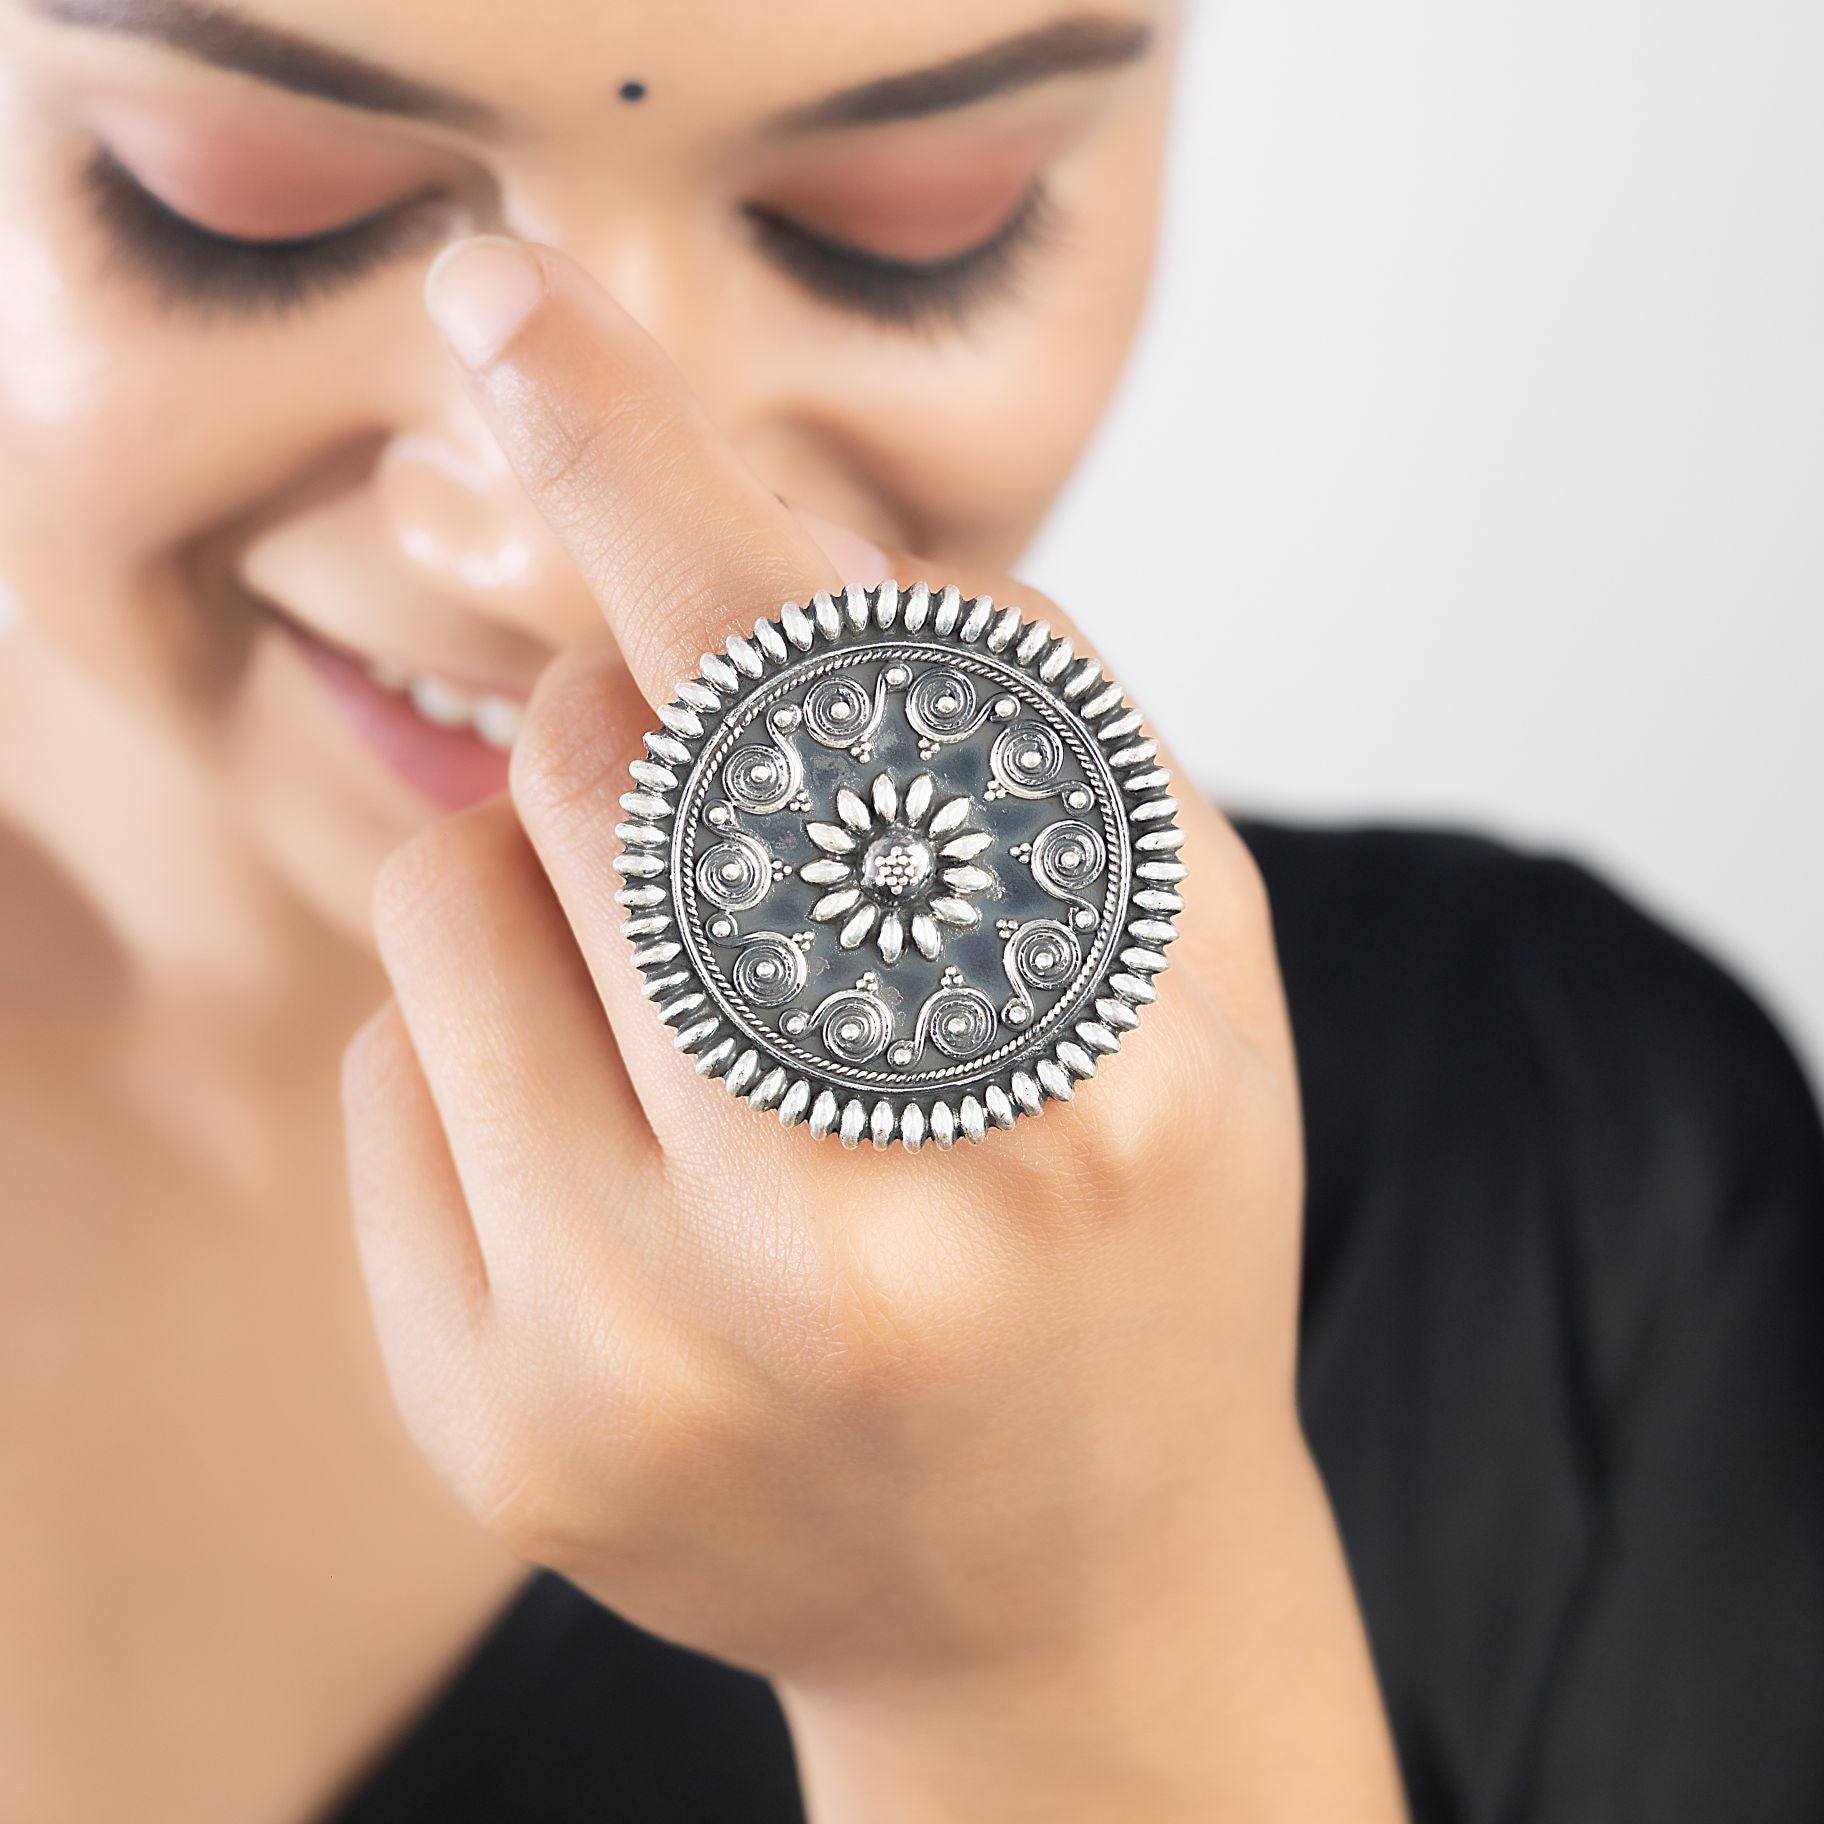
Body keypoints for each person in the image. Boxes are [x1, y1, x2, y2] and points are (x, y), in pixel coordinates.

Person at [1, 0, 1819, 1819]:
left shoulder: (1575, 1171)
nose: (553, 553)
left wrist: (1060, 1663)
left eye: (917, 219)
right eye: (239, 205)